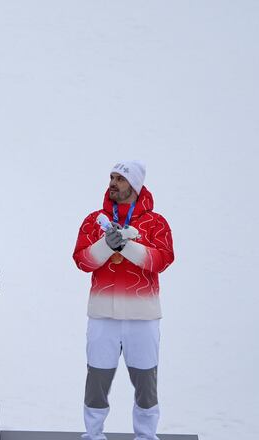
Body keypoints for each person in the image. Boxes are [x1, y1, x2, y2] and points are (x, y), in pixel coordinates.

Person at [72, 161, 175, 440]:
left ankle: (146, 435)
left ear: (135, 185)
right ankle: (93, 434)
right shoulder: (94, 220)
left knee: (145, 381)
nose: (113, 183)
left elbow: (162, 260)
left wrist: (125, 246)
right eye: (112, 177)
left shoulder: (156, 222)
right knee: (97, 379)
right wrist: (106, 244)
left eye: (120, 179)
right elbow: (82, 261)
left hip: (143, 316)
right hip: (102, 315)